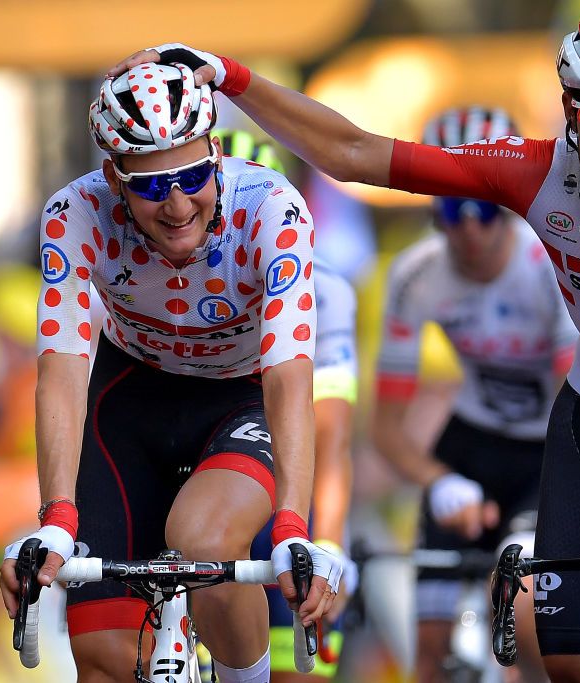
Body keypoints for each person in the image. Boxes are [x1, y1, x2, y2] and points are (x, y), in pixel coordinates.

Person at [109, 9, 580, 682]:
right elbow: (354, 153)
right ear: (567, 109)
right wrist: (229, 76)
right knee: (561, 655)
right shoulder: (535, 172)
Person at [0, 63, 342, 683]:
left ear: (215, 153)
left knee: (205, 542)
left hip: (241, 399)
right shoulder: (74, 213)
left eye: (192, 176)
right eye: (152, 187)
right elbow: (63, 371)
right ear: (113, 179)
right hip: (127, 399)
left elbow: (289, 375)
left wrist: (292, 522)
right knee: (105, 661)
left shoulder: (271, 209)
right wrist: (56, 519)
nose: (178, 205)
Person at [373, 106, 575, 682]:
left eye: (484, 208)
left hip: (550, 449)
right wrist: (440, 482)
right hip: (469, 446)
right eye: (449, 209)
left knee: (525, 614)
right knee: (431, 655)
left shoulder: (550, 264)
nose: (468, 228)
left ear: (508, 206)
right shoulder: (415, 276)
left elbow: (574, 400)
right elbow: (387, 429)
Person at [217, 129, 360, 681]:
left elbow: (330, 434)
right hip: (211, 480)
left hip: (286, 493)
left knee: (293, 670)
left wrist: (329, 541)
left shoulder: (324, 288)